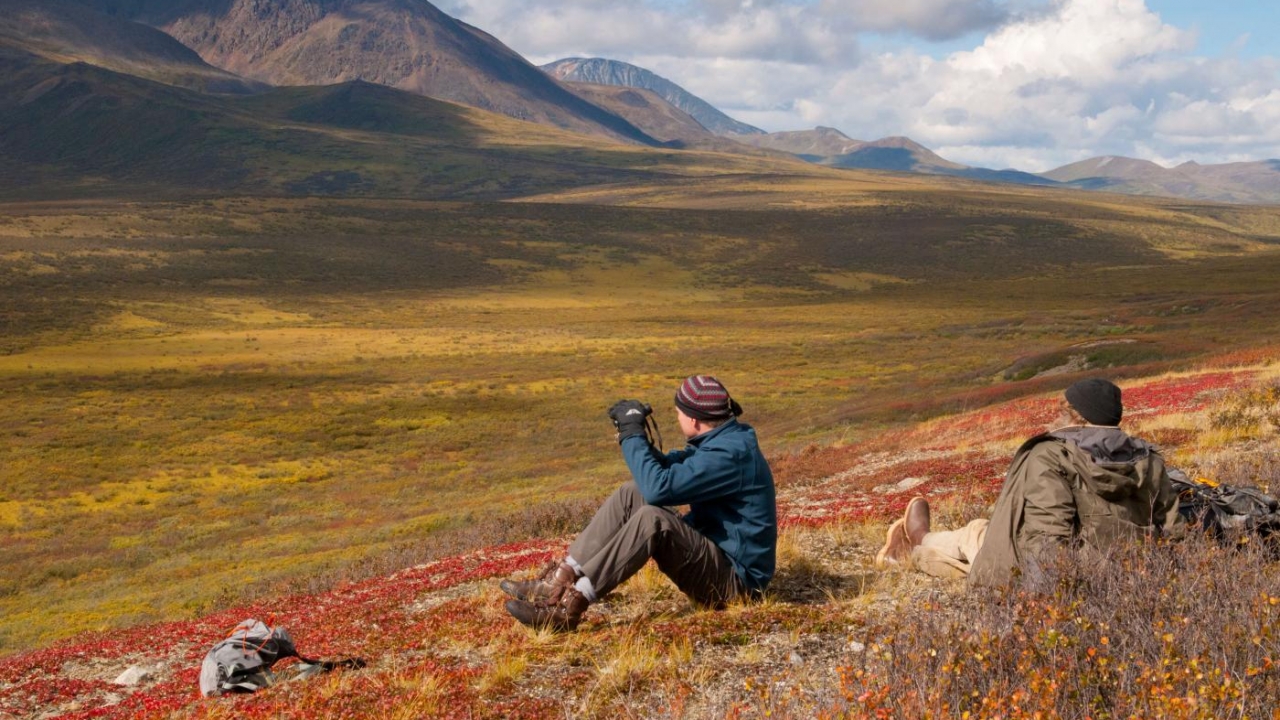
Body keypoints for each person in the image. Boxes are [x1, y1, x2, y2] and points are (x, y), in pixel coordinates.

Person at [500, 375, 777, 631]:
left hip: (736, 586)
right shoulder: (725, 441)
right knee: (633, 492)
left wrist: (631, 436)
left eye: (678, 412)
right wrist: (636, 438)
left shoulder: (729, 455)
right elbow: (666, 471)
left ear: (694, 420)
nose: (677, 417)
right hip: (719, 563)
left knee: (652, 520)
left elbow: (659, 489)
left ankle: (567, 608)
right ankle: (559, 581)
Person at [876, 378, 1182, 587]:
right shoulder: (1147, 458)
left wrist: (1044, 603)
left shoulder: (1052, 456)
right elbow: (1172, 527)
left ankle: (914, 546)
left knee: (977, 537)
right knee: (979, 530)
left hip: (1068, 572)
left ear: (1075, 416)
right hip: (1130, 568)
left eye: (1064, 408)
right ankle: (918, 541)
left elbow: (1047, 534)